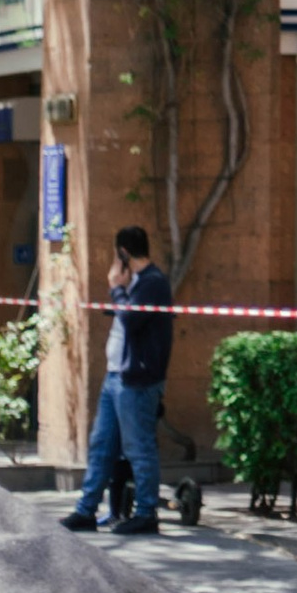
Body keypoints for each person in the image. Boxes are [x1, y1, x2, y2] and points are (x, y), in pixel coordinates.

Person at [60, 228, 174, 540]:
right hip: (116, 377)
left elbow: (132, 319)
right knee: (101, 445)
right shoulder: (137, 282)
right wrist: (121, 293)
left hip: (137, 379)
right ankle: (86, 509)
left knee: (139, 448)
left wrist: (116, 289)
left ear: (123, 253)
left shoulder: (153, 282)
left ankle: (146, 513)